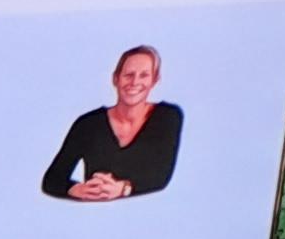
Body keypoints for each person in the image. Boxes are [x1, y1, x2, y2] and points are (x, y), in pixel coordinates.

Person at [40, 45, 182, 201]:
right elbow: (51, 180)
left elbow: (161, 176)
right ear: (115, 79)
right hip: (96, 215)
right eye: (128, 75)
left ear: (154, 81)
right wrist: (75, 189)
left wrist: (123, 188)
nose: (135, 82)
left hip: (150, 216)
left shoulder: (167, 116)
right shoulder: (88, 124)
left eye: (144, 75)